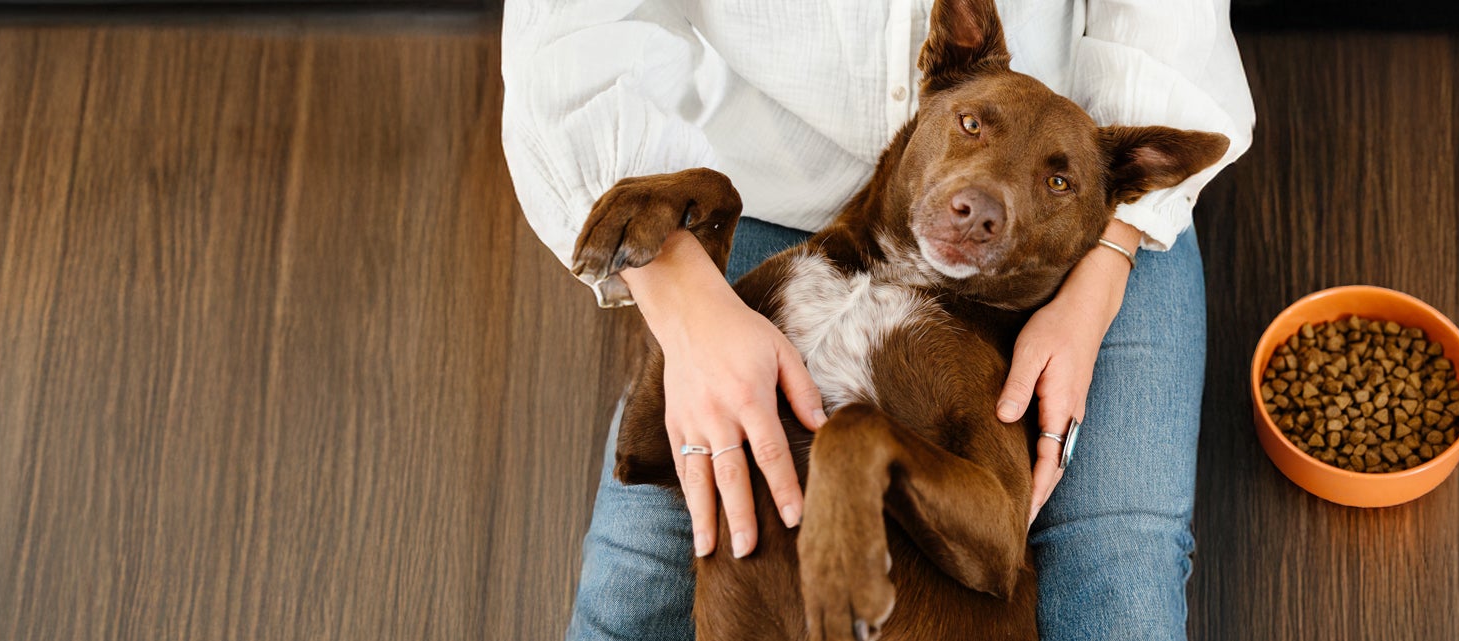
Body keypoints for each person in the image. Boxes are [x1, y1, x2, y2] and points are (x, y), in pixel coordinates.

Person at [501, 0, 1254, 638]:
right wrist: (690, 271)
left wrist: (1107, 257)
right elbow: (644, 453)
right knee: (633, 576)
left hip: (1061, 255)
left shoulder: (978, 341)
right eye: (971, 125)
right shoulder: (799, 275)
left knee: (1119, 570)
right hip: (773, 176)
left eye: (1056, 178)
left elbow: (993, 550)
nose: (979, 198)